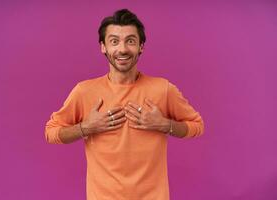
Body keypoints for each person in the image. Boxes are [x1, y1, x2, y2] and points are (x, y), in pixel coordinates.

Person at [45, 8, 204, 200]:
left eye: (130, 41)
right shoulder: (84, 91)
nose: (122, 49)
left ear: (141, 46)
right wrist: (85, 127)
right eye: (114, 41)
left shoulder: (163, 89)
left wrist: (165, 125)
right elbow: (51, 132)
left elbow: (197, 126)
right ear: (103, 47)